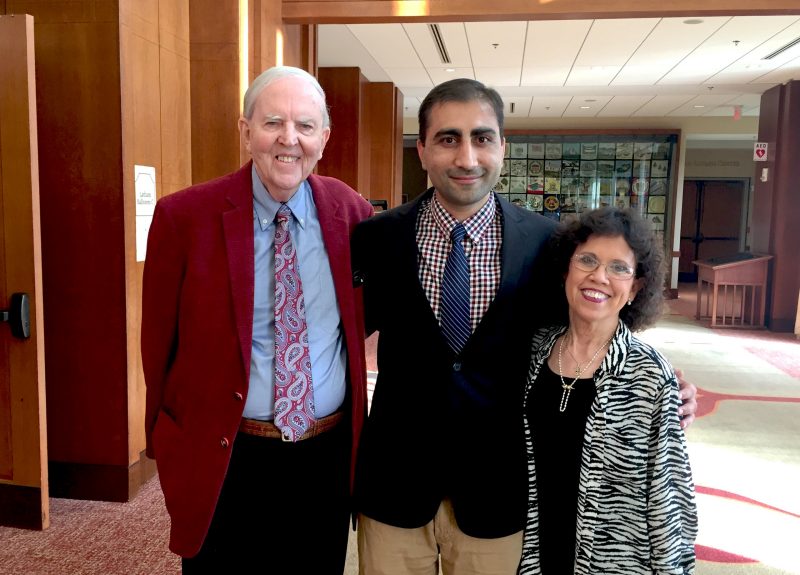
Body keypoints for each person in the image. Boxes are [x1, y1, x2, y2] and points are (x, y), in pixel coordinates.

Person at [351, 78, 697, 575]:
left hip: (500, 489)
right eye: (448, 138)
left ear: (502, 148)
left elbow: (583, 330)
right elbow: (338, 335)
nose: (467, 156)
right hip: (396, 481)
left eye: (482, 137)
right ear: (423, 149)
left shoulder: (545, 243)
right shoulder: (375, 237)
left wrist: (665, 381)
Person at [141, 66, 373, 573]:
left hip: (324, 457)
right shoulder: (184, 218)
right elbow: (158, 341)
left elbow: (362, 320)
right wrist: (163, 437)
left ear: (324, 138)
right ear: (245, 131)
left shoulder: (351, 213)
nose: (289, 140)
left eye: (305, 126)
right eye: (272, 123)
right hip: (227, 454)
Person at [519, 207, 697, 574]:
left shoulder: (649, 374)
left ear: (635, 288)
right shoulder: (535, 349)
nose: (599, 277)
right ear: (566, 270)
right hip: (534, 553)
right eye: (587, 260)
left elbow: (669, 495)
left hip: (616, 561)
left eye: (619, 268)